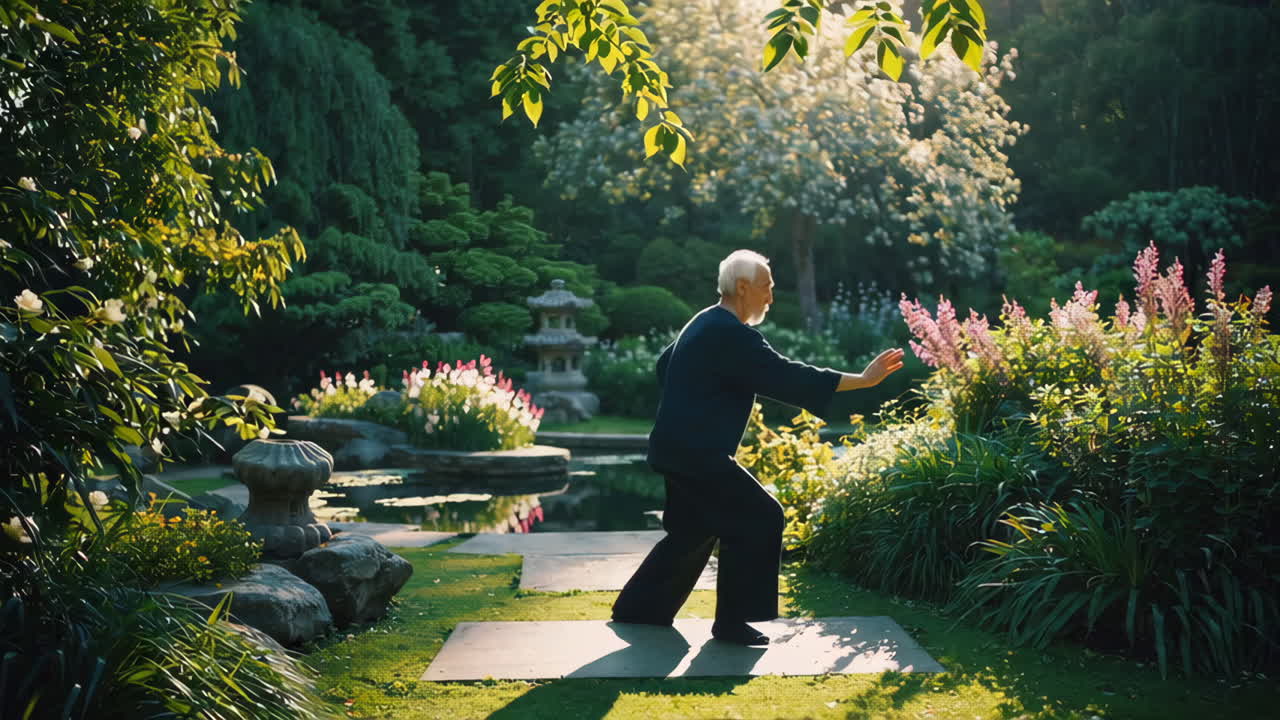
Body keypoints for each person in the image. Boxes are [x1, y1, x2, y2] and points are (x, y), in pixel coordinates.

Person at [611, 249, 905, 645]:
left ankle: (640, 609)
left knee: (692, 530)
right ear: (744, 286)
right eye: (766, 288)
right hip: (697, 454)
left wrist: (696, 398)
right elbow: (786, 376)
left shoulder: (703, 322)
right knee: (760, 517)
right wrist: (864, 380)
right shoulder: (728, 333)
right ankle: (733, 622)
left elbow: (666, 366)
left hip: (675, 448)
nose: (770, 297)